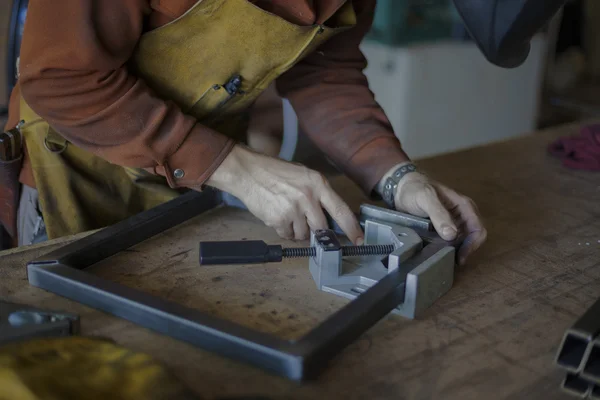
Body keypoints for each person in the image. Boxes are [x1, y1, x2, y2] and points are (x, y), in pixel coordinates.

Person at [2, 0, 559, 262]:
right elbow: (61, 78)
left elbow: (326, 72)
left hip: (194, 182)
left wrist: (396, 179)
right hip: (70, 174)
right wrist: (238, 169)